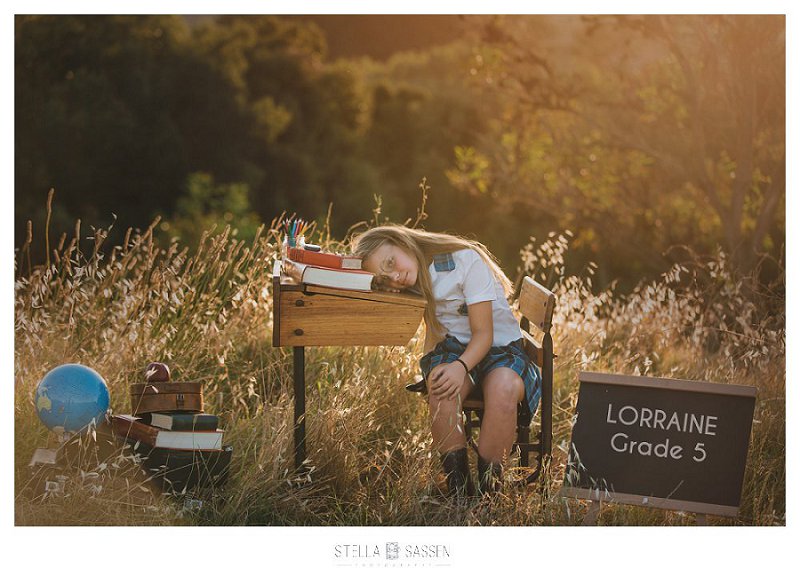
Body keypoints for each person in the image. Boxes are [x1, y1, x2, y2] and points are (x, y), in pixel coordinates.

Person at [352, 225, 541, 497]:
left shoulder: (464, 261)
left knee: (504, 388)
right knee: (441, 388)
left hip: (499, 349)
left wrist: (461, 367)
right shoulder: (410, 280)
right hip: (454, 348)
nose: (394, 276)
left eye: (391, 263)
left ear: (402, 241)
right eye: (385, 278)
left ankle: (489, 496)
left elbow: (484, 335)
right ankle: (459, 493)